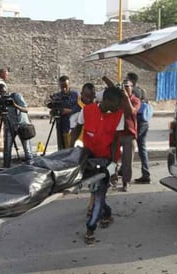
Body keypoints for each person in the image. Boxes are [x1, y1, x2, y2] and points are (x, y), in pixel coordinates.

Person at [71, 86, 124, 245]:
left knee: (99, 194)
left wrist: (114, 164)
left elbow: (115, 141)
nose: (118, 107)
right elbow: (77, 129)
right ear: (106, 101)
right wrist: (72, 151)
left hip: (106, 160)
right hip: (88, 158)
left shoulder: (119, 115)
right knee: (96, 191)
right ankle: (107, 213)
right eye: (116, 103)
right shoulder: (87, 111)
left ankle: (90, 228)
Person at [0, 84, 34, 167]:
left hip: (22, 124)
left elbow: (26, 110)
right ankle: (6, 167)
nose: (2, 93)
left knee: (27, 149)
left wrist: (15, 105)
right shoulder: (0, 100)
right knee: (7, 149)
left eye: (3, 91)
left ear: (6, 89)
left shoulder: (16, 96)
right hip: (10, 126)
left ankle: (31, 167)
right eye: (0, 92)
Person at [127, 72, 151, 183]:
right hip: (145, 121)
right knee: (142, 148)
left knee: (130, 146)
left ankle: (126, 172)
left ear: (131, 81)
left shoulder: (133, 91)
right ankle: (146, 174)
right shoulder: (143, 91)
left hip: (137, 121)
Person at [117, 79, 140, 192]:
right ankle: (112, 178)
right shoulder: (118, 99)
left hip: (129, 135)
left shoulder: (135, 100)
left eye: (127, 86)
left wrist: (126, 97)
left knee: (127, 161)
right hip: (117, 134)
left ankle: (126, 182)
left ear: (132, 87)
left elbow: (132, 111)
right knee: (113, 159)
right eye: (123, 86)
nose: (125, 88)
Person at [50, 75, 78, 150]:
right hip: (61, 125)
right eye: (62, 87)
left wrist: (70, 111)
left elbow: (81, 109)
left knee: (71, 148)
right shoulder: (57, 96)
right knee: (61, 148)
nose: (64, 89)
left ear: (69, 85)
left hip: (73, 126)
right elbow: (53, 111)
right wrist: (53, 112)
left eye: (66, 86)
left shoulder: (75, 95)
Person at [69, 82, 96, 147]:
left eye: (91, 97)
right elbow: (73, 133)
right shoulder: (77, 111)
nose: (89, 100)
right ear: (81, 94)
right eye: (86, 97)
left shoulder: (96, 105)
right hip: (80, 144)